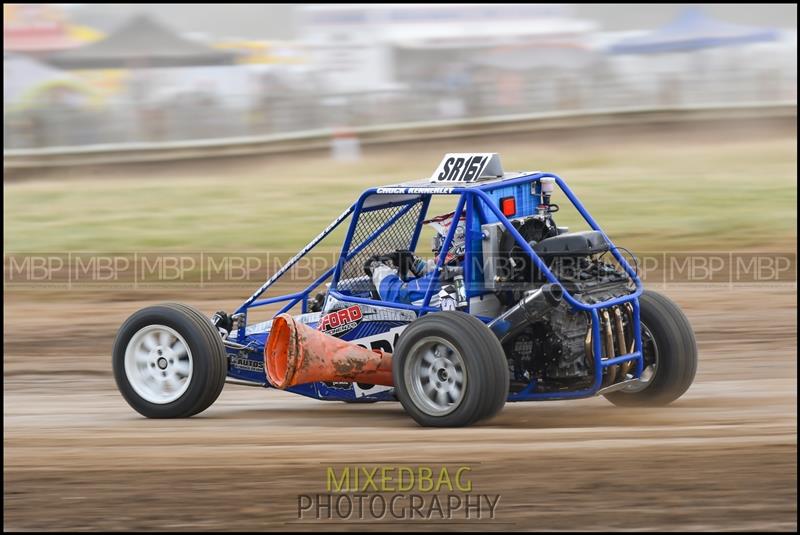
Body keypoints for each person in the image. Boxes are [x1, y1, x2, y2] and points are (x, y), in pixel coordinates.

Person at [363, 212, 466, 307]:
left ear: (454, 243)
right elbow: (438, 273)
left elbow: (396, 297)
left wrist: (377, 268)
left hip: (434, 324)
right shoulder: (467, 268)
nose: (436, 248)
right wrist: (415, 263)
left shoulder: (450, 277)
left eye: (439, 241)